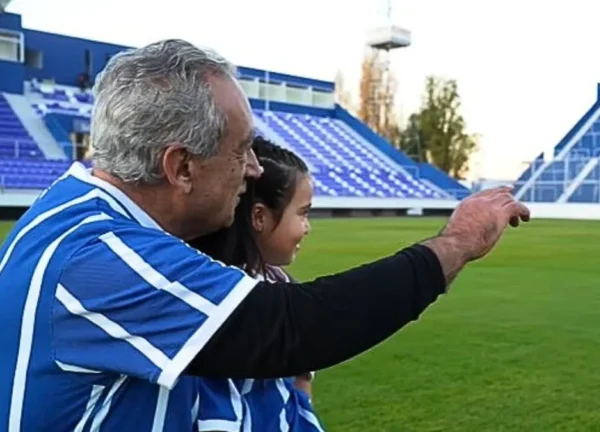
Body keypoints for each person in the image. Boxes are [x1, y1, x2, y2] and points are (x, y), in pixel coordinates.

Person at [0, 39, 530, 431]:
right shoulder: (96, 257)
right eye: (241, 150)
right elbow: (288, 327)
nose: (255, 169)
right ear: (181, 167)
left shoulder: (72, 213)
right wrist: (457, 243)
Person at [191, 136, 323, 432]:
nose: (307, 228)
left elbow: (301, 379)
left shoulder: (279, 285)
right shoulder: (222, 305)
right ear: (259, 216)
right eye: (303, 213)